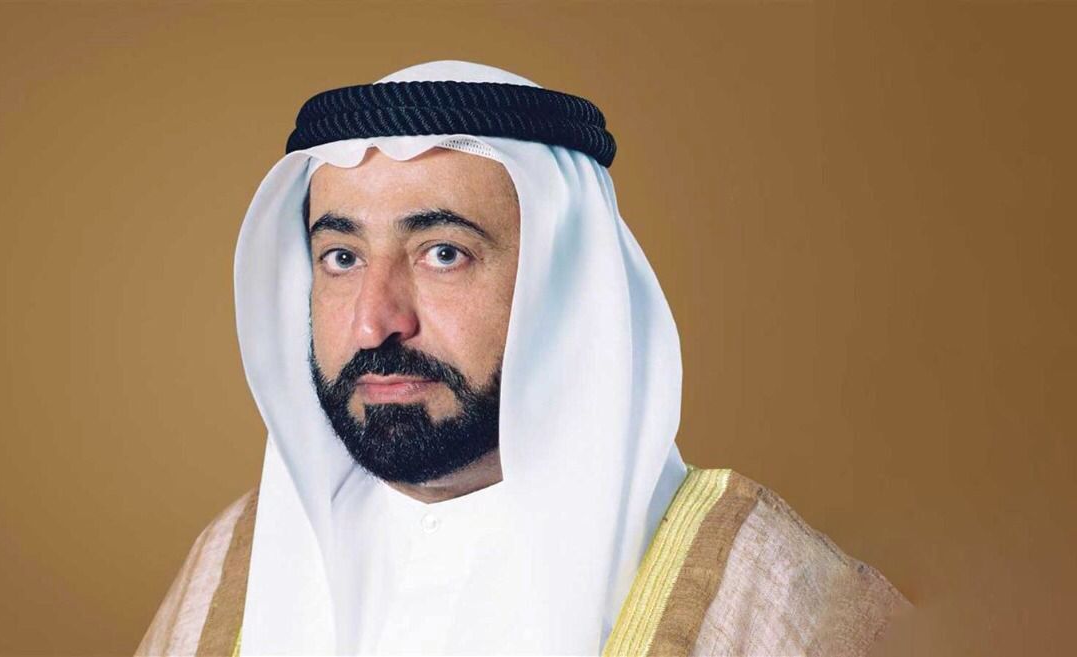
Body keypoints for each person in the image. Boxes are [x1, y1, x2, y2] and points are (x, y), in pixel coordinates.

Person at [136, 61, 908, 657]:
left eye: (443, 252)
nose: (375, 320)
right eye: (341, 256)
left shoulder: (769, 592)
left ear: (565, 286)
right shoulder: (232, 568)